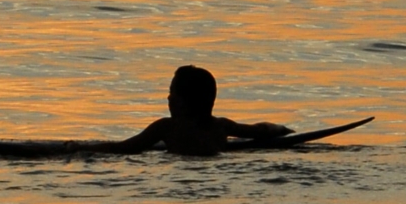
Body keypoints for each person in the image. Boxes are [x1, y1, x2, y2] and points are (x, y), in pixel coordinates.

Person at [118, 65, 291, 156]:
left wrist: (91, 149)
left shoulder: (167, 127)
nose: (169, 98)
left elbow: (126, 147)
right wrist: (282, 129)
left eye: (172, 93)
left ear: (184, 102)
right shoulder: (221, 126)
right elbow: (259, 131)